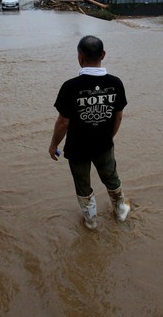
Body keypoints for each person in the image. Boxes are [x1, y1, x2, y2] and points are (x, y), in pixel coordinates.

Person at [49, 35, 130, 229]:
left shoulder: (70, 87)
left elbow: (62, 122)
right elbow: (118, 117)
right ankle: (120, 211)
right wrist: (108, 138)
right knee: (111, 177)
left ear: (79, 56)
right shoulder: (116, 83)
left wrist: (54, 145)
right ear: (103, 54)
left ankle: (91, 220)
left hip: (77, 147)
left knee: (82, 183)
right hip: (104, 144)